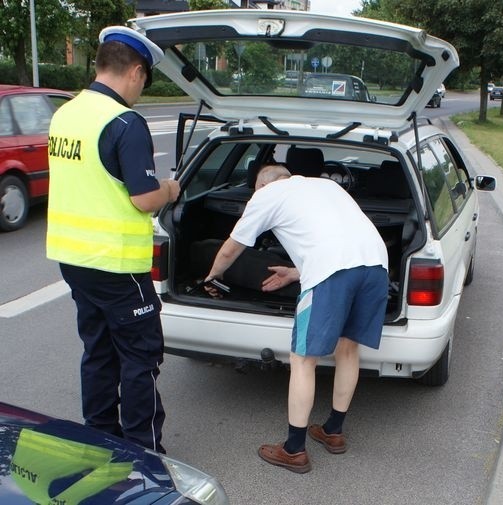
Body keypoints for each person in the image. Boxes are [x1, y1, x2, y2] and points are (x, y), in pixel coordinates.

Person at [46, 26, 180, 453]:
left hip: (74, 259)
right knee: (140, 358)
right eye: (145, 80)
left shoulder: (66, 113)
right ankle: (145, 452)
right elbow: (144, 198)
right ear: (137, 72)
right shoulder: (124, 121)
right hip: (117, 264)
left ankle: (100, 438)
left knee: (98, 351)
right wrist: (171, 190)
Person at [205, 164, 388, 473]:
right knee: (348, 349)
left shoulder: (267, 195)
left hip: (332, 274)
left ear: (261, 185)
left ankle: (294, 450)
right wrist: (295, 271)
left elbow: (231, 249)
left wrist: (210, 277)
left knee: (303, 359)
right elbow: (338, 238)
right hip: (376, 265)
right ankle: (333, 431)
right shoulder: (326, 186)